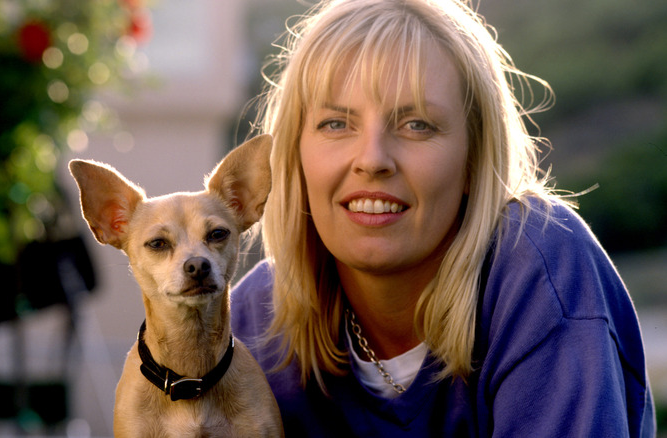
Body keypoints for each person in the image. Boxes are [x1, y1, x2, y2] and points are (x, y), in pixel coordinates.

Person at [230, 0, 655, 436]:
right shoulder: (249, 322)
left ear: (474, 159)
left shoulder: (541, 273)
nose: (373, 159)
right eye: (336, 124)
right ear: (293, 157)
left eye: (417, 125)